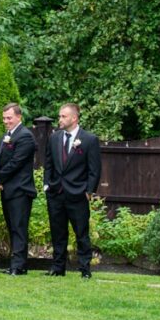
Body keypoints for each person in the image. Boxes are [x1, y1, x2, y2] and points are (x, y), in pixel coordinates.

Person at [43, 103, 101, 278]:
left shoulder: (89, 140)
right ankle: (58, 267)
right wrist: (47, 185)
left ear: (74, 118)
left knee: (81, 233)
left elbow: (94, 169)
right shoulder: (54, 138)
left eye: (63, 116)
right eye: (59, 116)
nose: (59, 119)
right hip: (56, 193)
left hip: (77, 193)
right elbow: (48, 164)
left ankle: (85, 269)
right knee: (58, 232)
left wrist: (89, 190)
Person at [0, 103, 36, 276]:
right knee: (12, 227)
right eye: (4, 118)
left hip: (20, 189)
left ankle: (19, 266)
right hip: (8, 189)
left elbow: (16, 162)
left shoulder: (25, 136)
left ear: (19, 117)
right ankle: (15, 264)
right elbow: (0, 159)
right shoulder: (7, 135)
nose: (6, 121)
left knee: (19, 228)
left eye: (9, 118)